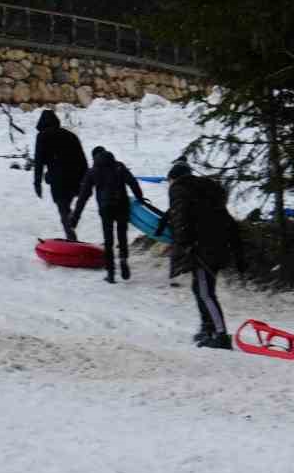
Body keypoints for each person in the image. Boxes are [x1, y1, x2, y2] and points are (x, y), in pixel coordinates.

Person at [156, 161, 248, 348]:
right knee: (199, 288)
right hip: (216, 245)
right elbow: (227, 222)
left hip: (202, 248)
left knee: (205, 292)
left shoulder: (180, 190)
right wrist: (238, 253)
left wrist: (183, 245)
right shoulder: (204, 193)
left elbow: (180, 217)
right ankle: (208, 328)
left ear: (173, 179)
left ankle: (221, 335)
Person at [69, 145, 145, 284]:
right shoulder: (119, 166)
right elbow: (133, 183)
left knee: (108, 240)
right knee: (122, 234)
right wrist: (140, 198)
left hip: (106, 208)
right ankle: (123, 259)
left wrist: (75, 218)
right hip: (122, 205)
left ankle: (110, 274)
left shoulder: (93, 171)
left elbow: (83, 196)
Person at [31, 110, 87, 241]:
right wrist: (86, 180)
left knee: (63, 209)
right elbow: (82, 158)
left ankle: (71, 237)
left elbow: (39, 162)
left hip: (59, 181)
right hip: (75, 179)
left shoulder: (42, 137)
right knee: (66, 207)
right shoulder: (70, 135)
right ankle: (70, 221)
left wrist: (37, 183)